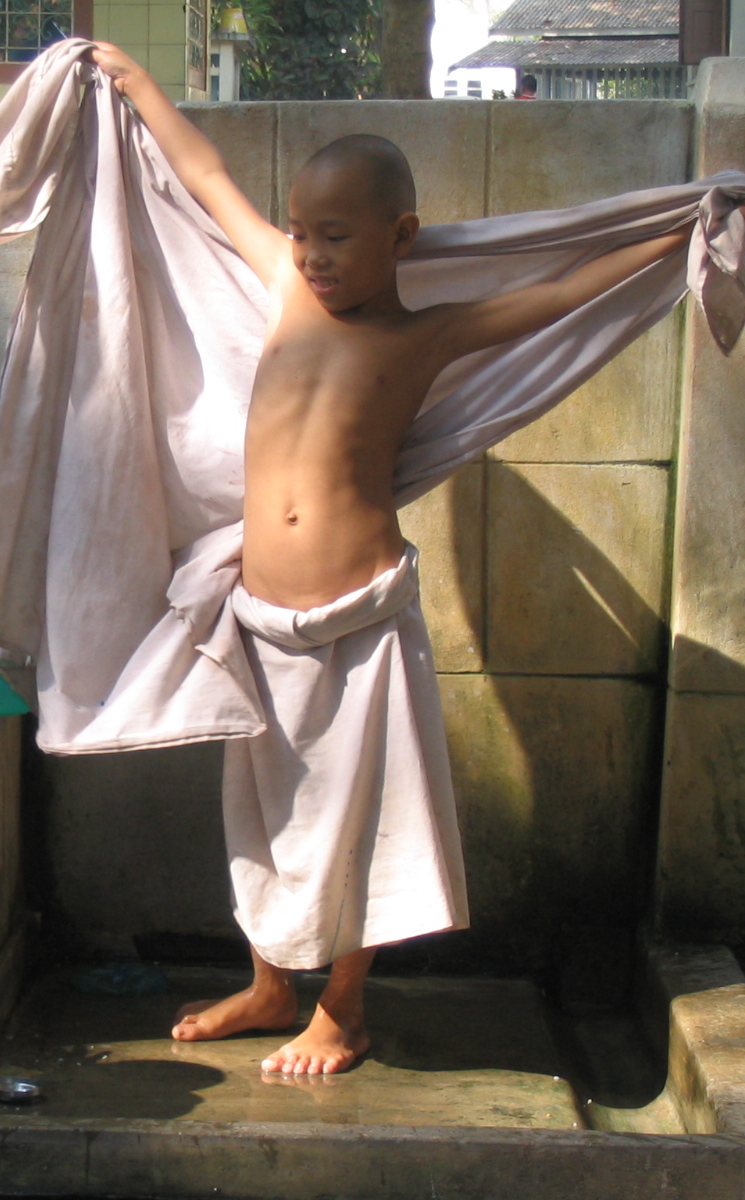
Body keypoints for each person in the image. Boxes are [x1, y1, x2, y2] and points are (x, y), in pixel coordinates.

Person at [85, 42, 684, 1075]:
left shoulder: (424, 337)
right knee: (266, 813)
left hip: (360, 620)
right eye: (301, 231)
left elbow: (561, 294)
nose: (311, 253)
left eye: (336, 235)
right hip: (258, 619)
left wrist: (683, 229)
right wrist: (138, 86)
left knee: (362, 817)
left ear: (401, 236)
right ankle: (272, 986)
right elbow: (207, 177)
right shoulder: (284, 286)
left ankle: (344, 1009)